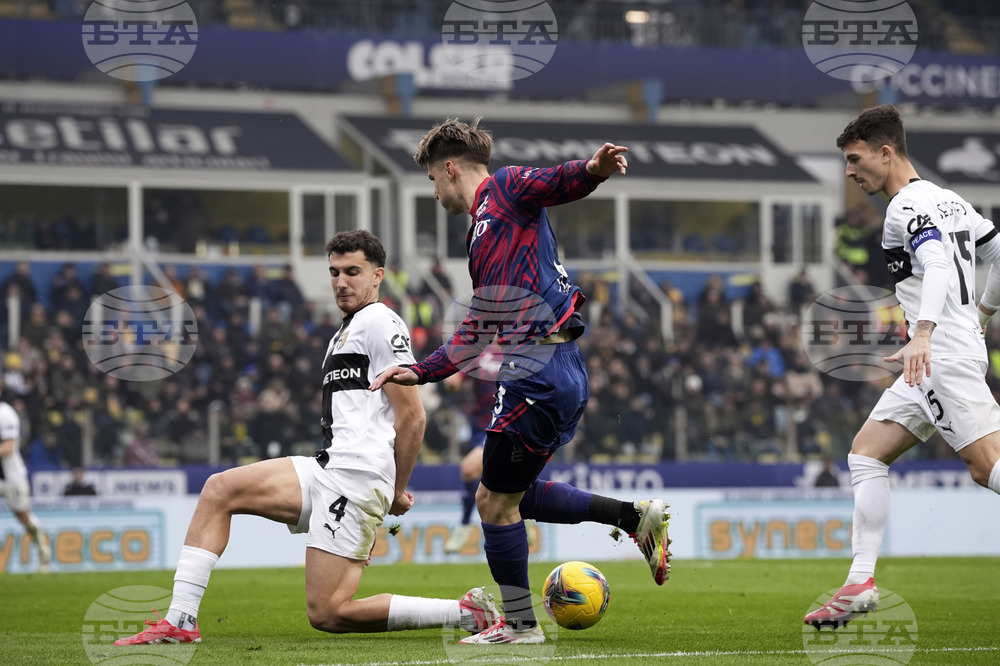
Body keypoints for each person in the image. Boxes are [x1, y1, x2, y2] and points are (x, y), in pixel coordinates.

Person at [115, 231, 499, 646]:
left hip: (356, 477)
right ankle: (180, 620)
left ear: (378, 275)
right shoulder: (344, 331)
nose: (341, 282)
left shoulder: (380, 322)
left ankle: (465, 613)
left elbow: (413, 417)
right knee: (219, 490)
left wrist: (393, 490)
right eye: (334, 272)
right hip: (328, 468)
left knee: (328, 613)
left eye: (352, 272)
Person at [371, 118, 671, 644]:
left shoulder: (505, 189)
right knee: (510, 494)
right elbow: (478, 327)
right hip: (557, 364)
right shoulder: (481, 232)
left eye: (432, 179)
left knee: (493, 503)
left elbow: (555, 181)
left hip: (536, 366)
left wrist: (593, 170)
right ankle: (632, 517)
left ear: (449, 169)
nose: (434, 191)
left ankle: (519, 624)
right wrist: (422, 370)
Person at [804, 105, 1000, 629]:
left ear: (885, 152)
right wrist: (981, 314)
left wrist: (924, 332)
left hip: (939, 355)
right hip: (940, 354)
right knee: (866, 453)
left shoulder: (903, 208)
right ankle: (859, 583)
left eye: (855, 159)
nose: (850, 171)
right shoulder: (951, 199)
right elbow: (999, 255)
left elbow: (935, 264)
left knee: (987, 467)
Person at [0, 389, 52, 572]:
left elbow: (8, 447)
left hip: (10, 476)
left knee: (22, 516)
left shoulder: (5, 413)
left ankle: (44, 550)